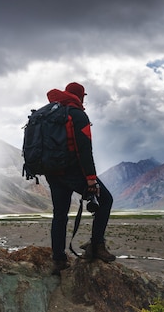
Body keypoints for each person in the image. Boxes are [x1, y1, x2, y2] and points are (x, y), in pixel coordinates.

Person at [45, 82, 116, 275]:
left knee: (60, 214)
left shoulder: (51, 113)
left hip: (52, 172)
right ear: (81, 96)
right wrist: (91, 179)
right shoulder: (77, 114)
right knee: (106, 200)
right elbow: (84, 149)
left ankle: (58, 260)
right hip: (72, 171)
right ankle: (97, 246)